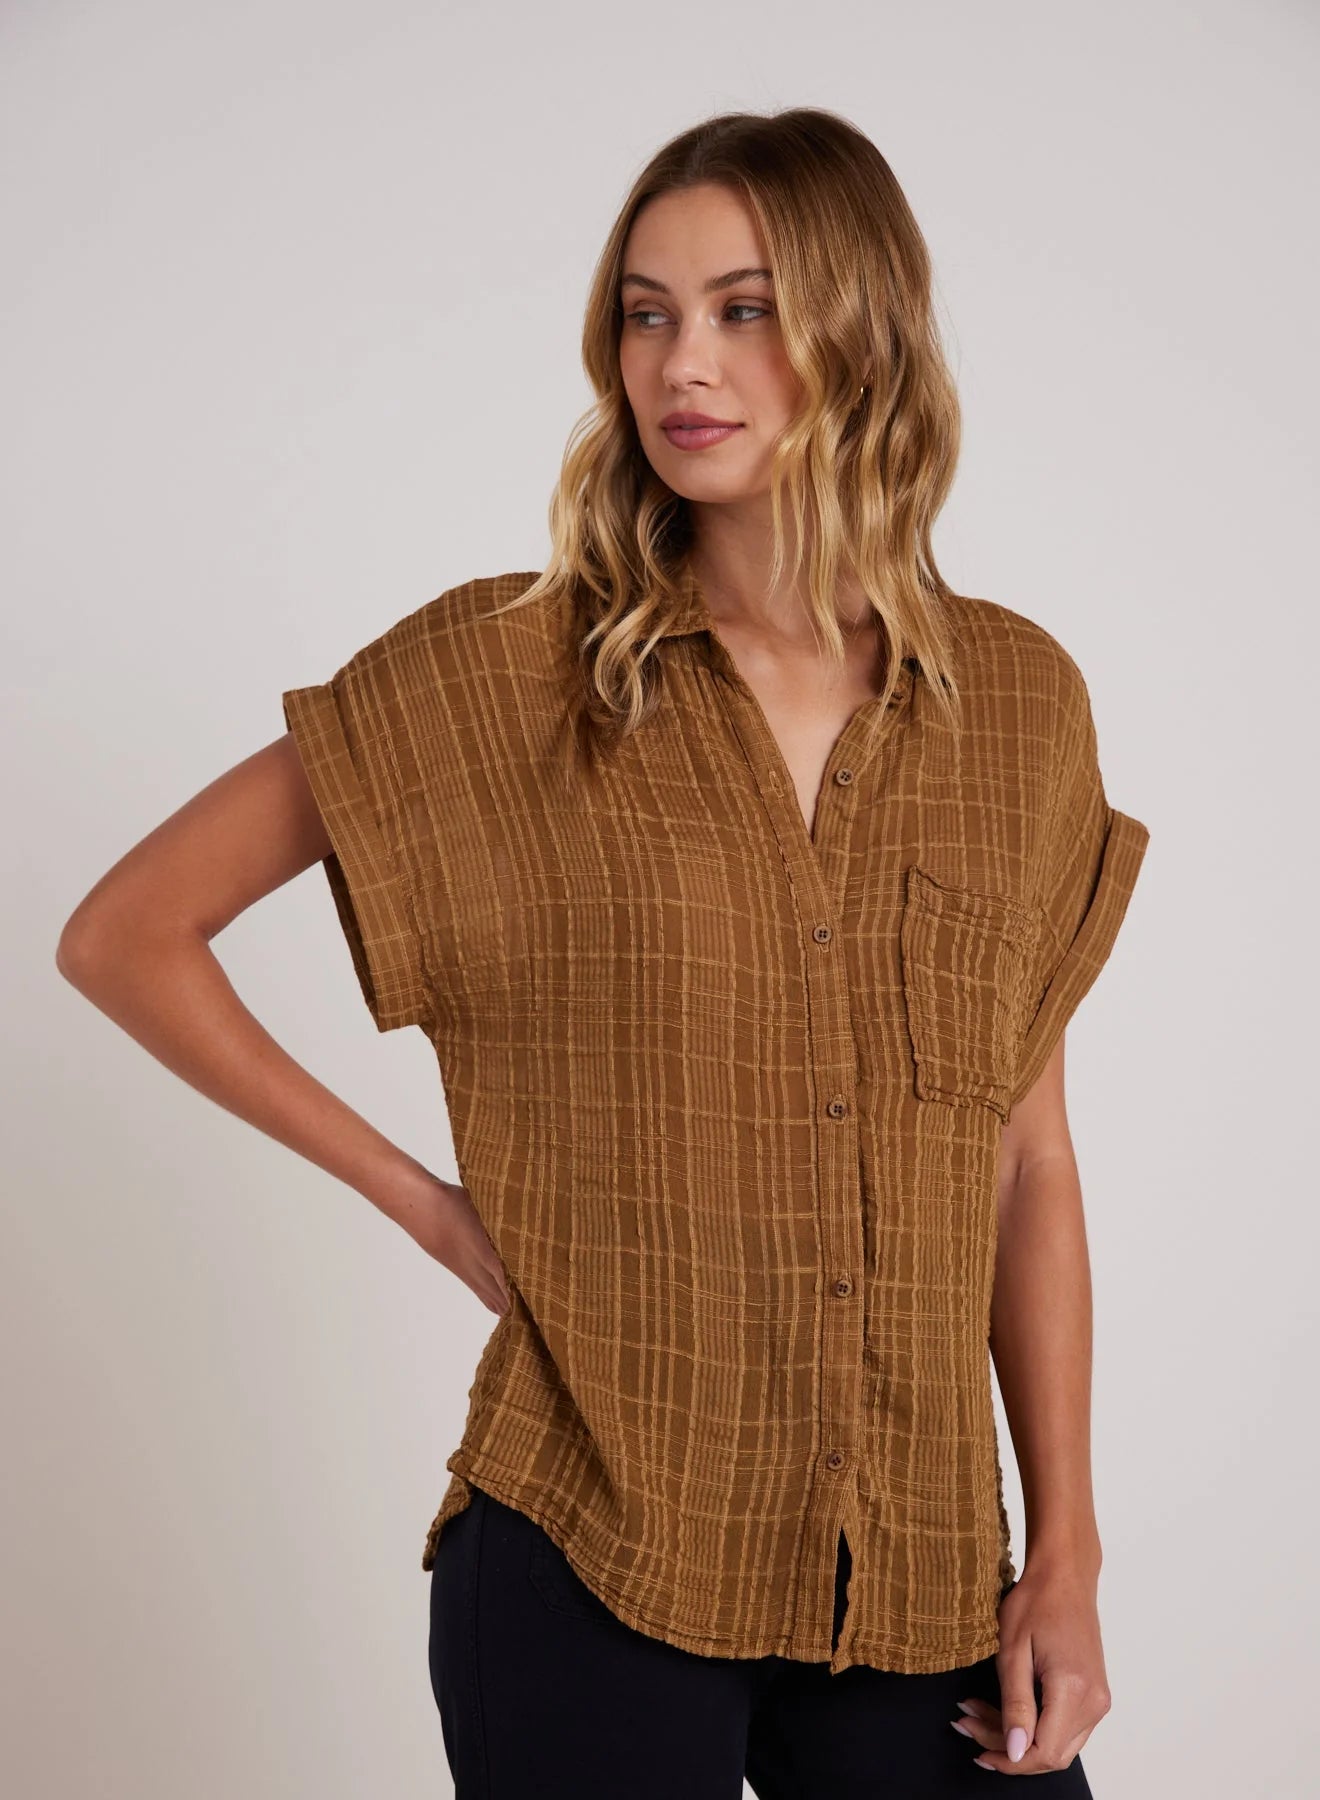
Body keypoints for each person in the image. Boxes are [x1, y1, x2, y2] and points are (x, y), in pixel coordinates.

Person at [56, 107, 1150, 1797]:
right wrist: (426, 1206)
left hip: (919, 1568)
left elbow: (1028, 1154)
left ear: (865, 334)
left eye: (744, 308)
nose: (680, 363)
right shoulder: (508, 676)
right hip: (592, 1545)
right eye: (647, 313)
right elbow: (128, 933)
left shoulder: (1017, 707)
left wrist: (1065, 1549)